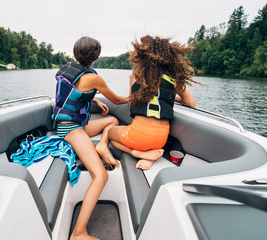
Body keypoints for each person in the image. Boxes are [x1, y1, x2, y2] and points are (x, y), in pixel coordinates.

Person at [53, 36, 128, 240]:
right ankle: (78, 233)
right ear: (96, 56)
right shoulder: (93, 77)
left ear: (76, 52)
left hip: (72, 125)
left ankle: (102, 146)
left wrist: (93, 99)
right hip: (71, 130)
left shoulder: (67, 69)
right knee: (101, 176)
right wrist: (140, 97)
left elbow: (72, 92)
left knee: (111, 120)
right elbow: (117, 99)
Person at [95, 35, 198, 170]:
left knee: (109, 132)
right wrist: (172, 97)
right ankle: (149, 155)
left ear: (143, 56)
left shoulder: (135, 77)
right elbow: (191, 103)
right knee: (142, 138)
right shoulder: (174, 79)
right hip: (161, 140)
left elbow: (132, 105)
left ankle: (132, 151)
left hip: (138, 137)